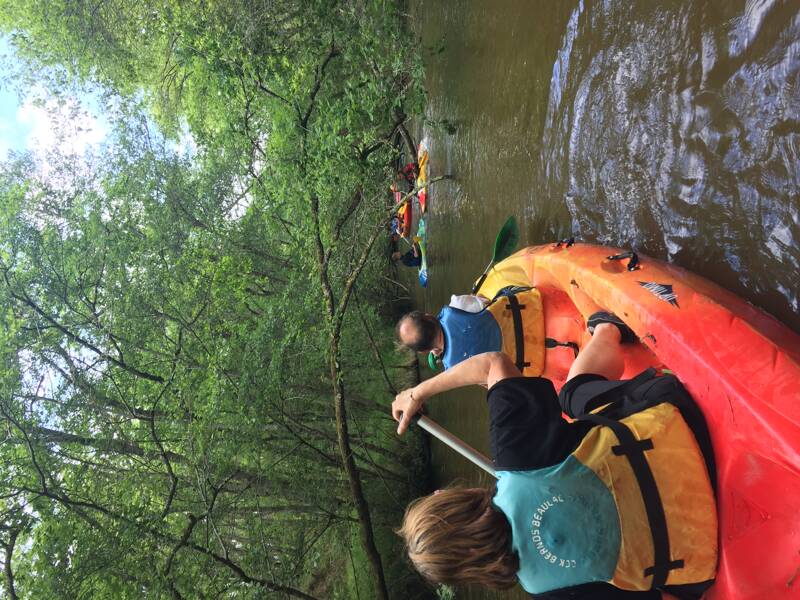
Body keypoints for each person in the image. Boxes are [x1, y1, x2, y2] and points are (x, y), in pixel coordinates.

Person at [392, 313, 718, 600]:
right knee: (572, 397)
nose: (437, 491)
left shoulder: (546, 592)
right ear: (450, 501)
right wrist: (416, 392)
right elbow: (494, 363)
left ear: (468, 571)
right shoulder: (514, 457)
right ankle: (608, 329)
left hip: (707, 547)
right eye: (437, 498)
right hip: (685, 424)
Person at [395, 287, 545, 376]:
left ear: (425, 351)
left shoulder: (454, 372)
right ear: (427, 316)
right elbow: (485, 301)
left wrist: (439, 350)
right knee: (501, 293)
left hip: (532, 361)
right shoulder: (457, 304)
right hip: (532, 310)